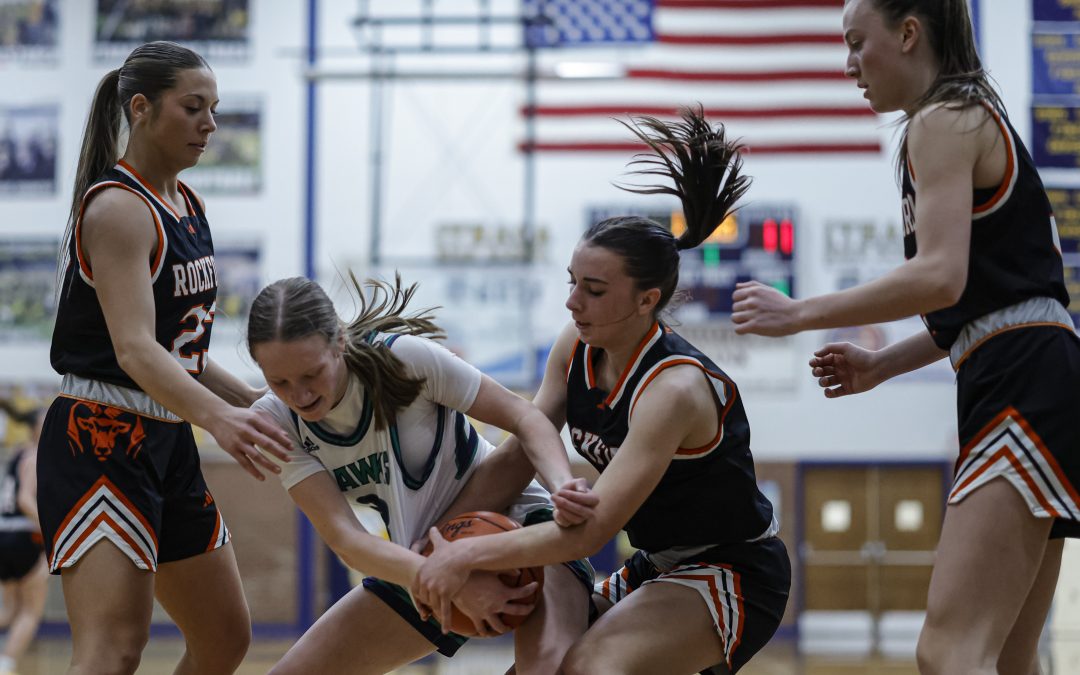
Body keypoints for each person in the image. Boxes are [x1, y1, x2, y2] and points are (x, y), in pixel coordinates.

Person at [730, 1, 1080, 673]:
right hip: (1029, 366)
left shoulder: (942, 119)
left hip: (1023, 378)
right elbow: (984, 302)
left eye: (859, 43)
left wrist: (800, 312)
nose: (850, 64)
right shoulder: (966, 116)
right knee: (1007, 656)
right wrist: (882, 365)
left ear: (909, 33)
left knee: (947, 651)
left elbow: (941, 276)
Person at [412, 108, 792, 675]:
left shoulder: (675, 389)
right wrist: (434, 544)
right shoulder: (575, 345)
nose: (572, 302)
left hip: (733, 568)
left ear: (647, 300)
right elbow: (520, 451)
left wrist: (468, 553)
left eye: (593, 290)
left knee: (589, 668)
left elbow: (588, 532)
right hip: (658, 564)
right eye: (572, 283)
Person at [37, 41, 292, 675]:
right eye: (193, 107)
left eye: (215, 109)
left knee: (224, 638)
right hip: (99, 437)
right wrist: (223, 421)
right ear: (143, 109)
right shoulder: (119, 207)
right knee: (114, 649)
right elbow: (134, 351)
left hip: (167, 439)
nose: (210, 124)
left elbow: (187, 355)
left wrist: (264, 403)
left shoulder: (187, 204)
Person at [246, 274, 600, 675]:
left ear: (339, 343)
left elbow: (523, 416)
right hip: (418, 558)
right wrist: (446, 577)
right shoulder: (274, 422)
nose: (300, 395)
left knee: (553, 670)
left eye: (311, 374)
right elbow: (346, 539)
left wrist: (562, 484)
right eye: (279, 382)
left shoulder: (404, 359)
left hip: (517, 520)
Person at [0, 407, 47, 675]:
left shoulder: (18, 452)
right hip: (23, 536)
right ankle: (5, 665)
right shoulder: (35, 455)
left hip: (4, 533)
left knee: (9, 611)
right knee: (30, 611)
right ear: (35, 429)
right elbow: (25, 501)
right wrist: (53, 533)